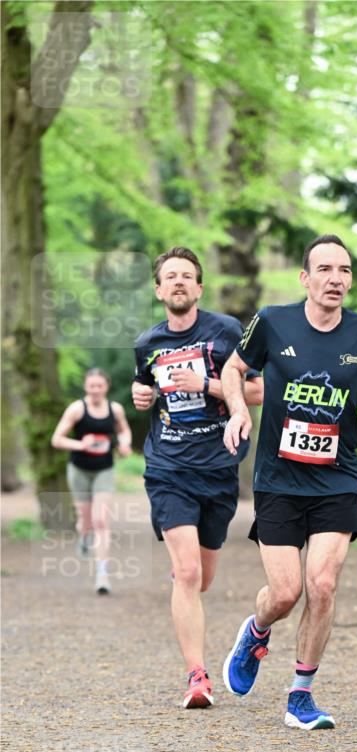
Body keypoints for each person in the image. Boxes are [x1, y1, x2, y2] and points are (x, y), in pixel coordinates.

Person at [221, 234, 357, 731]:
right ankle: (257, 631)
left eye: (344, 270)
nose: (335, 279)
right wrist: (237, 410)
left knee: (321, 585)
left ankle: (300, 695)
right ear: (305, 278)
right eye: (324, 269)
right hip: (278, 479)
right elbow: (235, 369)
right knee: (285, 593)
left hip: (336, 478)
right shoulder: (272, 321)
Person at [132, 246, 262, 709]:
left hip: (219, 467)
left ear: (199, 287)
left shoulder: (226, 332)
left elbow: (258, 390)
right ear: (158, 290)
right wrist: (141, 396)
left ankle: (185, 578)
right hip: (168, 468)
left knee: (201, 579)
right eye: (170, 276)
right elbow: (145, 387)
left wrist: (206, 385)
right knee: (187, 572)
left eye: (187, 276)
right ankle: (197, 677)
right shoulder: (147, 343)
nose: (179, 282)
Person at [52, 368, 133, 595]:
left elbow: (124, 431)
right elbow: (57, 439)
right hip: (79, 470)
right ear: (86, 387)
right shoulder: (77, 409)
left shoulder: (115, 409)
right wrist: (81, 444)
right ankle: (83, 535)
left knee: (101, 521)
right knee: (85, 521)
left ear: (106, 386)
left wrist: (124, 444)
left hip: (104, 470)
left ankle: (102, 574)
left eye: (99, 385)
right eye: (91, 386)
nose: (95, 390)